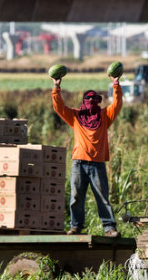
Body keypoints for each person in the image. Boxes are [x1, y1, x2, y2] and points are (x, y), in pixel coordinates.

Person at [51, 72, 123, 236]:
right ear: (83, 102)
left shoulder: (105, 116)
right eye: (88, 100)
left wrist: (116, 85)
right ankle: (76, 226)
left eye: (94, 100)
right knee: (76, 197)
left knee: (103, 198)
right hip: (79, 163)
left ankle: (109, 228)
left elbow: (117, 104)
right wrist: (56, 87)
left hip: (97, 164)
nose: (91, 103)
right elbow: (59, 108)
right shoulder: (75, 116)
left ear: (99, 102)